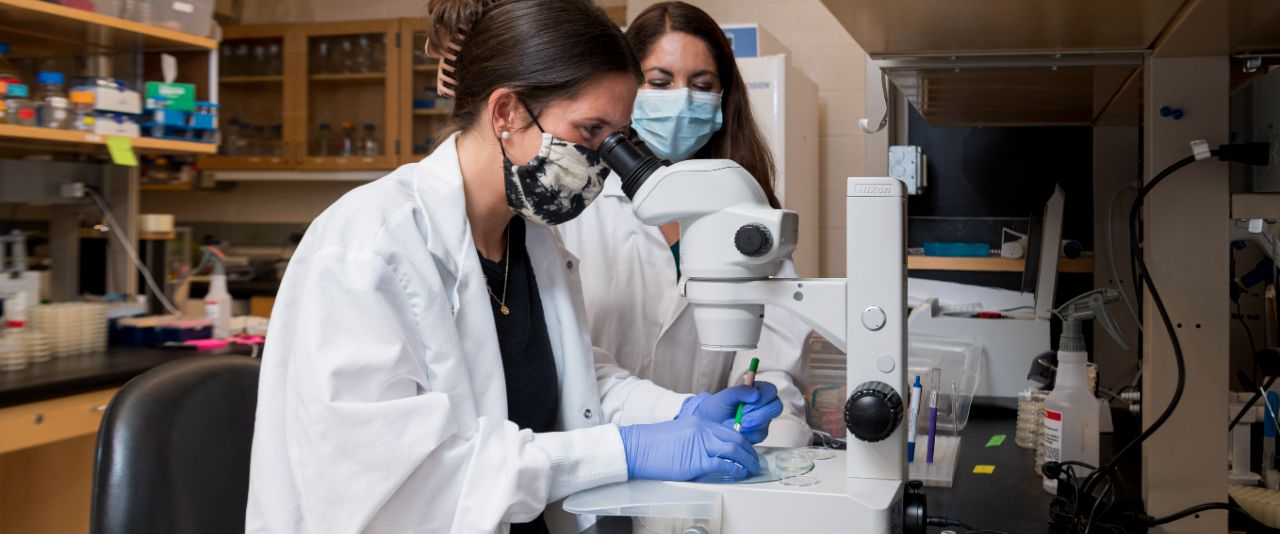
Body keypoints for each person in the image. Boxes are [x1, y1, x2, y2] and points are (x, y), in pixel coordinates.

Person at [246, 1, 784, 533]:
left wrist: (685, 413)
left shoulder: (534, 241)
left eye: (617, 137)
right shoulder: (370, 247)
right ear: (505, 113)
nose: (602, 160)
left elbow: (580, 383)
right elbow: (400, 485)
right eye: (591, 130)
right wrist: (627, 449)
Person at [559, 1, 814, 448]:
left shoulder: (747, 207)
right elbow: (564, 356)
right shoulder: (579, 205)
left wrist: (773, 429)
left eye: (701, 85)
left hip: (713, 454)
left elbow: (774, 359)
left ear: (723, 97)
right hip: (597, 450)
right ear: (626, 88)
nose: (681, 100)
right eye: (660, 82)